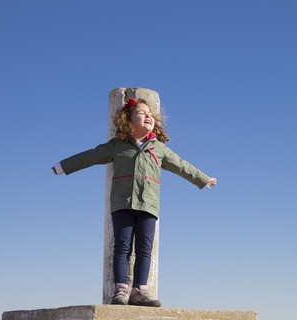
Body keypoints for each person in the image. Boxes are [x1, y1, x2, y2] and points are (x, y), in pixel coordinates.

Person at [51, 98, 217, 307]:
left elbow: (181, 165)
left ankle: (140, 291)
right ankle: (121, 290)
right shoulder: (117, 146)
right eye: (141, 113)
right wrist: (63, 166)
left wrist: (202, 179)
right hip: (122, 203)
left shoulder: (159, 148)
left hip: (149, 205)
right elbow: (91, 155)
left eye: (150, 114)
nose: (148, 116)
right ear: (128, 120)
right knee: (122, 247)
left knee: (144, 249)